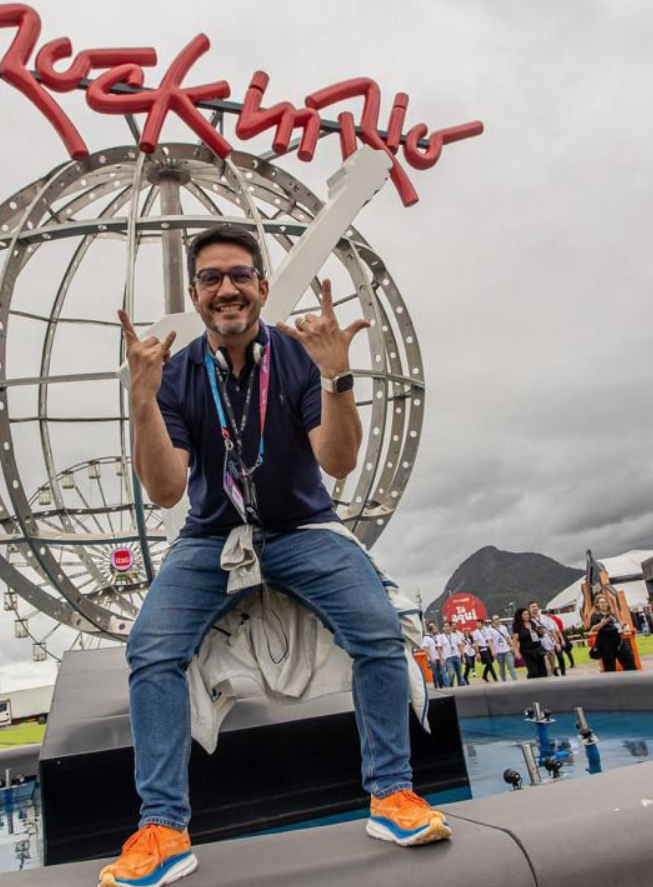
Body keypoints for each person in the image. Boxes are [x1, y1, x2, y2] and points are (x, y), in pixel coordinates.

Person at [107, 226, 449, 887]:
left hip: (303, 527)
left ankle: (392, 795)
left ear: (262, 286)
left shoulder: (296, 359)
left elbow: (339, 460)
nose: (227, 288)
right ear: (194, 294)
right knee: (150, 648)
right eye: (212, 278)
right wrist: (141, 400)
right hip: (211, 538)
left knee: (377, 630)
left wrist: (336, 377)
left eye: (240, 274)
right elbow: (164, 487)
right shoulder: (175, 374)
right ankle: (162, 828)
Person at [514, 609, 546, 679]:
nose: (527, 616)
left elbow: (539, 635)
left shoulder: (532, 623)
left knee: (543, 670)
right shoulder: (517, 626)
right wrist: (516, 652)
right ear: (520, 616)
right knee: (533, 672)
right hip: (527, 651)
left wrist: (541, 632)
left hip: (538, 649)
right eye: (525, 614)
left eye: (528, 614)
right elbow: (515, 640)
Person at [491, 616, 516, 682]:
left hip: (507, 650)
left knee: (511, 666)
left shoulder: (504, 627)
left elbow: (508, 637)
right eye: (496, 619)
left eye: (498, 618)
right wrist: (493, 651)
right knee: (502, 668)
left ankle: (516, 681)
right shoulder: (490, 630)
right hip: (498, 652)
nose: (498, 620)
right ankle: (504, 682)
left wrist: (512, 646)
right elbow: (489, 641)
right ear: (492, 621)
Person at [423, 623, 445, 689]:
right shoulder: (426, 638)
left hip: (438, 657)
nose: (436, 630)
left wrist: (441, 658)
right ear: (431, 630)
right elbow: (425, 648)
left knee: (440, 672)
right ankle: (436, 686)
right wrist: (431, 658)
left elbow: (439, 648)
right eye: (435, 629)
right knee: (435, 673)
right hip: (432, 658)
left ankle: (441, 686)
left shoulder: (438, 637)